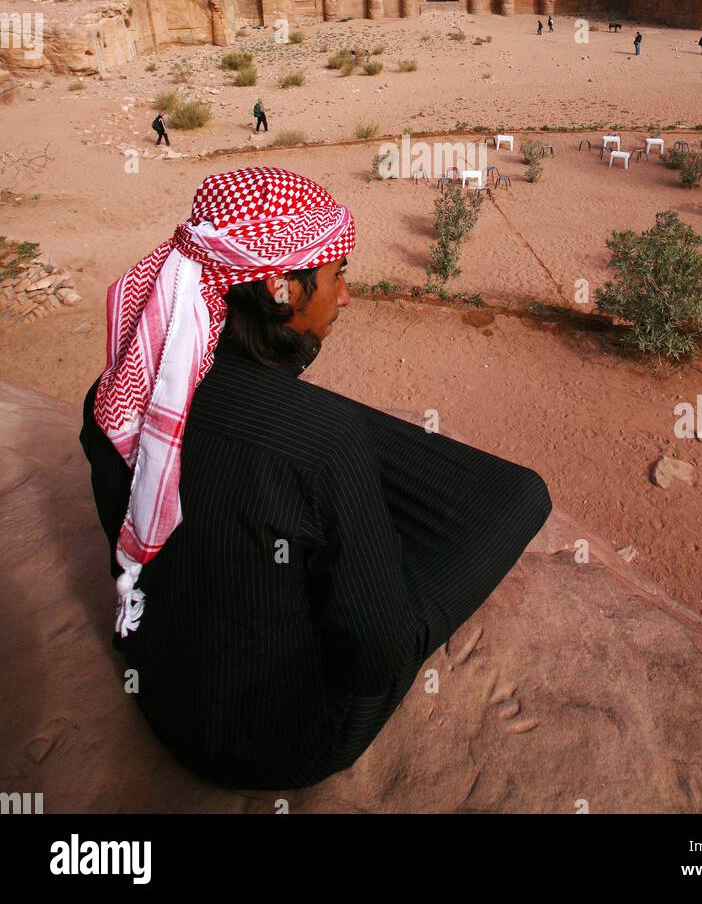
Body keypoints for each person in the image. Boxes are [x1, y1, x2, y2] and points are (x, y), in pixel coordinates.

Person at [78, 168, 551, 791]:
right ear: (279, 287)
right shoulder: (326, 443)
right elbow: (375, 660)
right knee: (519, 495)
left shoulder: (117, 398)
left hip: (160, 689)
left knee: (312, 432)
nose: (346, 297)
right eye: (337, 276)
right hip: (282, 739)